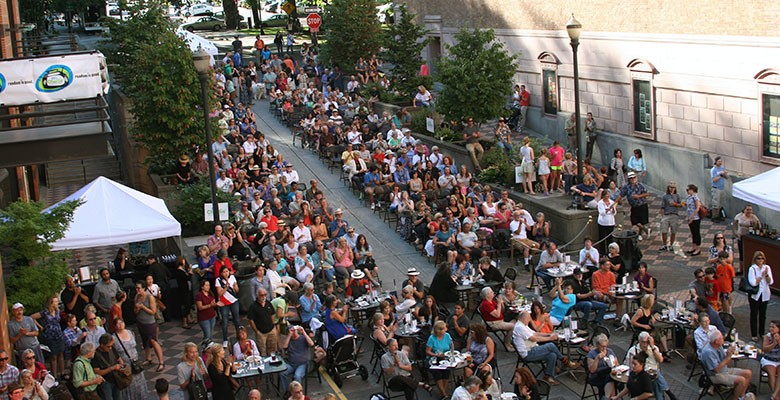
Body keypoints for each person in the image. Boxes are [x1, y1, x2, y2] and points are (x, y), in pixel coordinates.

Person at [512, 311, 578, 386]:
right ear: (524, 318)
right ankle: (565, 361)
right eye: (529, 318)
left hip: (532, 348)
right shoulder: (520, 327)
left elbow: (535, 333)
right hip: (528, 353)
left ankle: (548, 376)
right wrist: (550, 338)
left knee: (552, 355)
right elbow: (533, 338)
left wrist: (549, 334)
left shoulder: (523, 325)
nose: (530, 320)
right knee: (550, 345)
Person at [701, 330, 753, 400]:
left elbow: (726, 361)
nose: (723, 339)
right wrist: (728, 357)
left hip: (724, 370)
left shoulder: (719, 346)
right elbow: (716, 369)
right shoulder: (708, 352)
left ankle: (741, 396)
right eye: (721, 338)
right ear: (716, 341)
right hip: (714, 375)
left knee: (748, 373)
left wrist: (730, 352)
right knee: (741, 380)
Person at [624, 331, 675, 400]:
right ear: (639, 341)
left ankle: (667, 394)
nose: (645, 345)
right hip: (641, 375)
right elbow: (629, 366)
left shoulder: (654, 348)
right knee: (657, 379)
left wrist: (653, 347)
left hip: (653, 375)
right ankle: (668, 392)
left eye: (647, 342)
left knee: (656, 378)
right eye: (643, 342)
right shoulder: (633, 350)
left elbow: (660, 360)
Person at [133, 281, 164, 372]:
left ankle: (161, 362)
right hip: (140, 322)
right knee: (144, 341)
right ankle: (148, 358)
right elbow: (135, 311)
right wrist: (137, 308)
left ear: (144, 288)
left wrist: (142, 307)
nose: (137, 290)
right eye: (136, 288)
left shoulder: (149, 297)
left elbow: (153, 312)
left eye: (139, 288)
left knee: (153, 341)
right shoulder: (137, 297)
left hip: (149, 322)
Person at [113, 318, 147, 400]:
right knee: (130, 385)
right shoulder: (114, 338)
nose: (120, 325)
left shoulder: (130, 332)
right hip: (126, 365)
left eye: (122, 322)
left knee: (140, 384)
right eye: (118, 323)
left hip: (135, 362)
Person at [31, 296, 64, 377]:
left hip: (58, 334)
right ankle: (55, 375)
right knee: (53, 356)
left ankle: (62, 373)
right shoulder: (45, 312)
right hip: (50, 335)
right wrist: (40, 326)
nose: (57, 303)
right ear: (51, 303)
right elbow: (32, 317)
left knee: (61, 354)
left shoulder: (57, 311)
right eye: (55, 302)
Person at [616, 171, 650, 240]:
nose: (633, 179)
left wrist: (638, 196)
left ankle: (640, 234)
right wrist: (615, 202)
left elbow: (647, 194)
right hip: (634, 206)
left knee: (642, 221)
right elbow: (621, 195)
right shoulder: (626, 187)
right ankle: (645, 229)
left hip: (642, 205)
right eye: (631, 178)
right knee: (634, 220)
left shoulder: (640, 185)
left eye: (634, 177)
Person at [748, 250, 774, 342]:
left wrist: (766, 275)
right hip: (755, 295)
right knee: (754, 314)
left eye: (762, 258)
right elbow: (753, 283)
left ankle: (762, 332)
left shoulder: (767, 267)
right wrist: (761, 276)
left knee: (763, 314)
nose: (760, 260)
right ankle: (754, 334)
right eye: (758, 258)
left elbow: (771, 282)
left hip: (765, 294)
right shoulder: (752, 269)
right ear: (755, 259)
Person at [91, 334, 124, 400]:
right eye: (108, 346)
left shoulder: (112, 348)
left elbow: (119, 359)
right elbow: (97, 372)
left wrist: (122, 366)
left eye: (111, 346)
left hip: (116, 378)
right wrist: (112, 368)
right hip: (105, 382)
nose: (110, 348)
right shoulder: (95, 355)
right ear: (102, 345)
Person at [280, 325, 313, 391]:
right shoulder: (289, 340)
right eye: (292, 331)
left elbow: (311, 344)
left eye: (294, 330)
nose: (294, 332)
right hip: (291, 364)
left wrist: (303, 332)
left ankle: (297, 392)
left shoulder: (303, 338)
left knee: (297, 376)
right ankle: (287, 391)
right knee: (282, 373)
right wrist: (289, 335)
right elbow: (284, 347)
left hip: (303, 364)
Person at [425, 321, 453, 399]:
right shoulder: (432, 338)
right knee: (437, 373)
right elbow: (427, 351)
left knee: (446, 371)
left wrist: (450, 353)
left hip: (445, 357)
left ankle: (443, 391)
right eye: (444, 328)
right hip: (434, 358)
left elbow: (451, 347)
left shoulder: (447, 336)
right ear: (439, 330)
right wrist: (436, 355)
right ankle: (444, 393)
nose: (446, 330)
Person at [587, 333, 619, 399]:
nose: (604, 348)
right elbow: (592, 370)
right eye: (602, 346)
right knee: (611, 379)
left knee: (611, 378)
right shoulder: (592, 354)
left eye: (605, 346)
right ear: (597, 345)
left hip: (609, 376)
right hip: (597, 376)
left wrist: (614, 363)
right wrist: (597, 359)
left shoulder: (610, 351)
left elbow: (617, 366)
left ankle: (606, 397)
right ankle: (610, 397)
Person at [659, 181, 683, 251]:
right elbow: (662, 206)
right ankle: (664, 244)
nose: (672, 189)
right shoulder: (665, 196)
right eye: (671, 187)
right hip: (666, 215)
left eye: (673, 187)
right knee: (664, 231)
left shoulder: (677, 196)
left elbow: (680, 205)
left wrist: (675, 204)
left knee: (673, 231)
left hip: (674, 215)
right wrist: (662, 216)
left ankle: (671, 245)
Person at [761, 320, 780, 400]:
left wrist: (778, 341)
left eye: (773, 327)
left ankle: (774, 395)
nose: (771, 328)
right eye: (770, 327)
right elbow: (765, 349)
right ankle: (775, 396)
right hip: (768, 359)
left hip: (779, 360)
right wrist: (774, 344)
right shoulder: (767, 336)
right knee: (771, 373)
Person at [685, 184, 703, 255]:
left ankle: (698, 248)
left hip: (695, 218)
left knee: (696, 233)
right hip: (690, 217)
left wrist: (692, 217)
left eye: (688, 190)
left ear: (692, 190)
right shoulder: (689, 197)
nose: (687, 191)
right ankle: (694, 247)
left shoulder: (695, 198)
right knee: (693, 233)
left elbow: (697, 208)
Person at [710, 156, 728, 222]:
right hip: (716, 188)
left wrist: (725, 174)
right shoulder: (713, 170)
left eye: (721, 161)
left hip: (722, 188)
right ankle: (714, 217)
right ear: (716, 162)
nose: (720, 163)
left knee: (721, 203)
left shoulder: (722, 168)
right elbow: (714, 180)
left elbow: (726, 177)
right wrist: (720, 175)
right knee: (715, 204)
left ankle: (719, 215)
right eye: (719, 161)